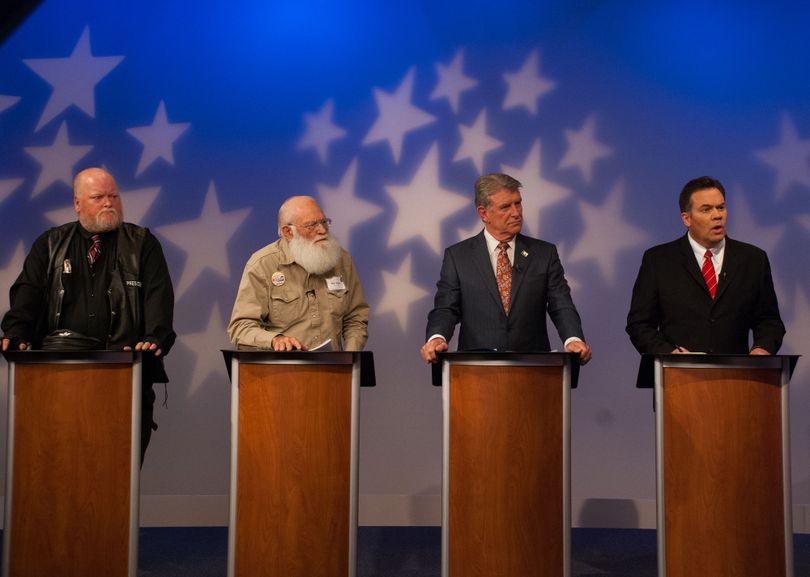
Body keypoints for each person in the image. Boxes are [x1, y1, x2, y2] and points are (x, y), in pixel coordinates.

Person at [1, 167, 176, 462]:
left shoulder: (142, 243)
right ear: (78, 203)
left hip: (124, 375)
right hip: (58, 377)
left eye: (114, 196)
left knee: (118, 472)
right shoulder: (50, 244)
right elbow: (27, 294)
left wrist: (154, 338)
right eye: (98, 197)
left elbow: (159, 298)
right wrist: (16, 332)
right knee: (58, 470)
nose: (109, 203)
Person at [420, 172, 592, 364]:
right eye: (505, 207)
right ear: (483, 213)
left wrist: (573, 339)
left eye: (517, 203)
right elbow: (446, 308)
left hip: (533, 368)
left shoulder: (544, 254)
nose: (516, 212)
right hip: (475, 369)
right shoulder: (458, 257)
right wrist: (437, 337)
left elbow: (561, 304)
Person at [626, 175, 785, 355]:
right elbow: (639, 324)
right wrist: (670, 354)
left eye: (721, 207)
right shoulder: (658, 260)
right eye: (706, 209)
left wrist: (761, 349)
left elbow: (769, 321)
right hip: (678, 376)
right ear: (687, 219)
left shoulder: (753, 259)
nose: (717, 215)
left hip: (737, 376)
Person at [228, 195, 369, 351]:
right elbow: (240, 327)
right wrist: (275, 340)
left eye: (324, 222)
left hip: (333, 370)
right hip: (280, 371)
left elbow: (356, 318)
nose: (322, 230)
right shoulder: (262, 265)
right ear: (288, 232)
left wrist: (350, 359)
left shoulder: (342, 260)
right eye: (311, 225)